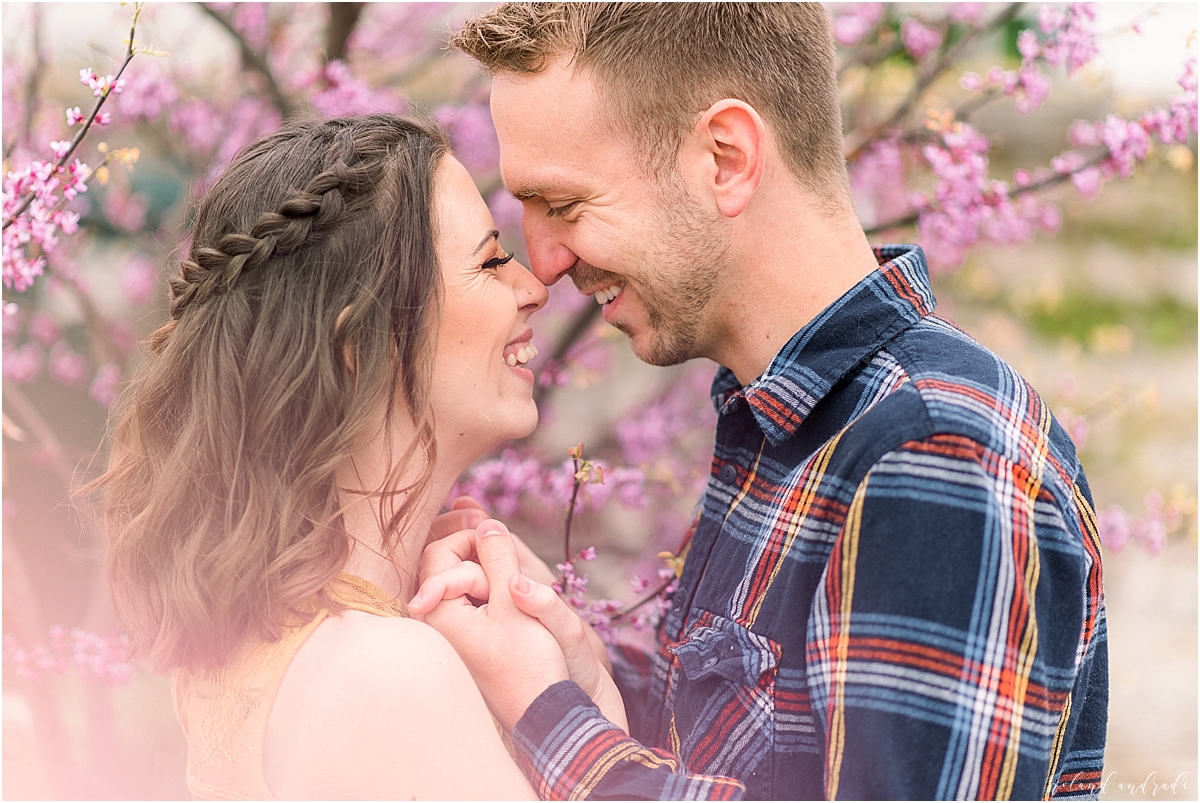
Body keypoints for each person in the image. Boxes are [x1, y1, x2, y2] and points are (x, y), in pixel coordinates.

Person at [410, 4, 1109, 800]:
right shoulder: (790, 423)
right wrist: (572, 655)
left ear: (726, 157)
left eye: (565, 205)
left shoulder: (934, 450)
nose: (543, 260)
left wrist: (546, 713)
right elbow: (752, 755)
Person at [93, 114, 627, 799]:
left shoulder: (282, 641)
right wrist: (557, 698)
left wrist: (585, 687)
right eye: (491, 260)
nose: (533, 286)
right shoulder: (382, 671)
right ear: (361, 344)